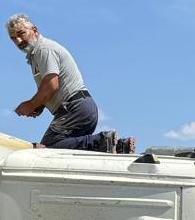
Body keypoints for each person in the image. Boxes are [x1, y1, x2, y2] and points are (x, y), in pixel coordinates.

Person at [7, 15, 115, 151]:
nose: (18, 41)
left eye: (21, 34)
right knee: (67, 154)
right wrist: (40, 105)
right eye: (13, 39)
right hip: (80, 107)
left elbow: (51, 85)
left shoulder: (43, 49)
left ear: (35, 30)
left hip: (74, 108)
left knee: (48, 148)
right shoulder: (36, 54)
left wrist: (31, 104)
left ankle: (103, 141)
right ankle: (117, 146)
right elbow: (51, 86)